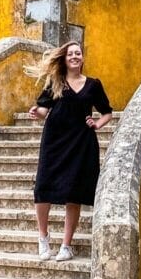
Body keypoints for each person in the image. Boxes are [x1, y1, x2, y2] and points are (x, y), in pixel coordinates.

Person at [28, 41, 113, 262]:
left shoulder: (93, 85)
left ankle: (66, 246)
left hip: (81, 142)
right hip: (54, 141)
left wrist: (97, 124)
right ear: (64, 59)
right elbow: (44, 110)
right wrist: (36, 113)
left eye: (78, 53)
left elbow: (107, 113)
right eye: (70, 54)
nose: (74, 56)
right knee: (42, 188)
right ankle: (43, 237)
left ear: (82, 58)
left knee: (74, 193)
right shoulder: (55, 81)